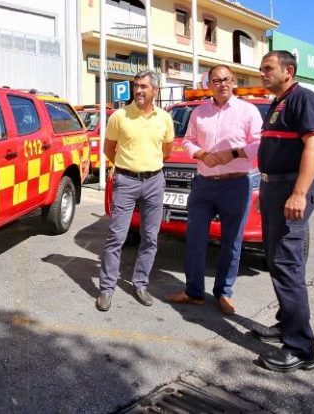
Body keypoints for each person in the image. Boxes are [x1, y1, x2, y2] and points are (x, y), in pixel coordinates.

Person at [165, 65, 263, 314]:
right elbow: (188, 141)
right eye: (216, 80)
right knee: (195, 239)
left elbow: (259, 143)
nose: (222, 84)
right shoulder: (199, 112)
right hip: (204, 184)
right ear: (209, 84)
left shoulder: (248, 111)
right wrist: (201, 154)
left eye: (226, 79)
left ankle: (224, 292)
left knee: (231, 241)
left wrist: (234, 153)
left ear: (234, 81)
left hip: (236, 184)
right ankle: (194, 292)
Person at [252, 50, 314, 373]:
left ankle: (301, 348)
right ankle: (287, 324)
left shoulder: (303, 99)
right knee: (275, 259)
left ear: (288, 71)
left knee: (286, 263)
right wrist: (265, 189)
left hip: (292, 188)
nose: (262, 73)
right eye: (261, 68)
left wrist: (298, 193)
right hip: (274, 189)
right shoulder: (278, 102)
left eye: (268, 68)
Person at [96, 70, 174, 311]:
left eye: (143, 86)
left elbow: (167, 151)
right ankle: (106, 289)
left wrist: (148, 165)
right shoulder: (119, 116)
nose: (138, 90)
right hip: (126, 182)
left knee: (150, 237)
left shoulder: (165, 118)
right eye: (136, 86)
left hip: (154, 182)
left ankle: (140, 283)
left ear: (155, 91)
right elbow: (109, 149)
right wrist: (126, 167)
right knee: (116, 237)